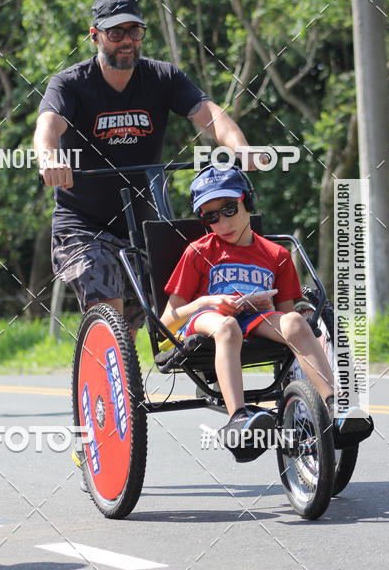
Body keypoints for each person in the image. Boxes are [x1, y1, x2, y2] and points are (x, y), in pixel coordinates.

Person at [34, 0, 267, 335]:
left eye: (134, 31)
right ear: (94, 35)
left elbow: (211, 115)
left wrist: (240, 147)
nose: (126, 41)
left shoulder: (162, 77)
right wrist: (50, 158)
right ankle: (114, 382)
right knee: (107, 307)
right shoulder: (70, 83)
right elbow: (48, 126)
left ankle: (134, 385)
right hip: (83, 224)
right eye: (116, 33)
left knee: (137, 323)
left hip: (142, 223)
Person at [160, 165, 373, 460]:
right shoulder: (199, 252)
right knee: (227, 327)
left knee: (297, 323)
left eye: (229, 209)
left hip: (253, 317)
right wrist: (207, 301)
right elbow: (168, 319)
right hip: (203, 320)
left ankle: (335, 406)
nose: (221, 222)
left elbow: (286, 317)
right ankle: (238, 418)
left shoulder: (277, 255)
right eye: (210, 216)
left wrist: (265, 307)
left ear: (248, 202)